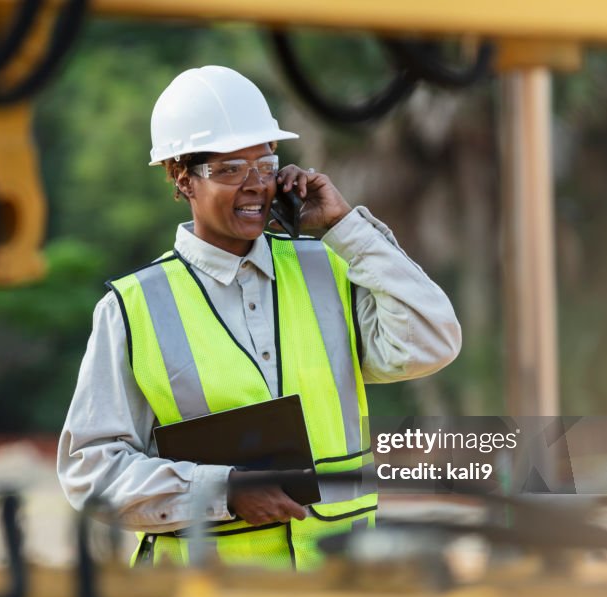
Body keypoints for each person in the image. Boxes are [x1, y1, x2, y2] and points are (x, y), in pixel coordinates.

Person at [58, 65, 461, 570]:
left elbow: (432, 342)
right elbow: (90, 472)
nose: (256, 186)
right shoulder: (132, 308)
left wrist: (344, 227)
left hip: (337, 589)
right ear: (183, 178)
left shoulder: (329, 266)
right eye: (231, 169)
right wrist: (221, 491)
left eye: (266, 165)